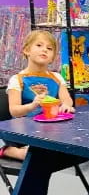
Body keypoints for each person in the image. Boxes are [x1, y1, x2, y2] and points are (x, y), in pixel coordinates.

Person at [2, 30, 75, 161]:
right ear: (26, 50)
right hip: (25, 130)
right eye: (39, 45)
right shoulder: (17, 79)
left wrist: (66, 106)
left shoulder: (57, 78)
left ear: (53, 57)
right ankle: (10, 151)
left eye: (49, 48)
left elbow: (67, 100)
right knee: (39, 158)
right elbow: (14, 111)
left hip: (52, 128)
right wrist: (33, 105)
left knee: (68, 152)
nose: (44, 50)